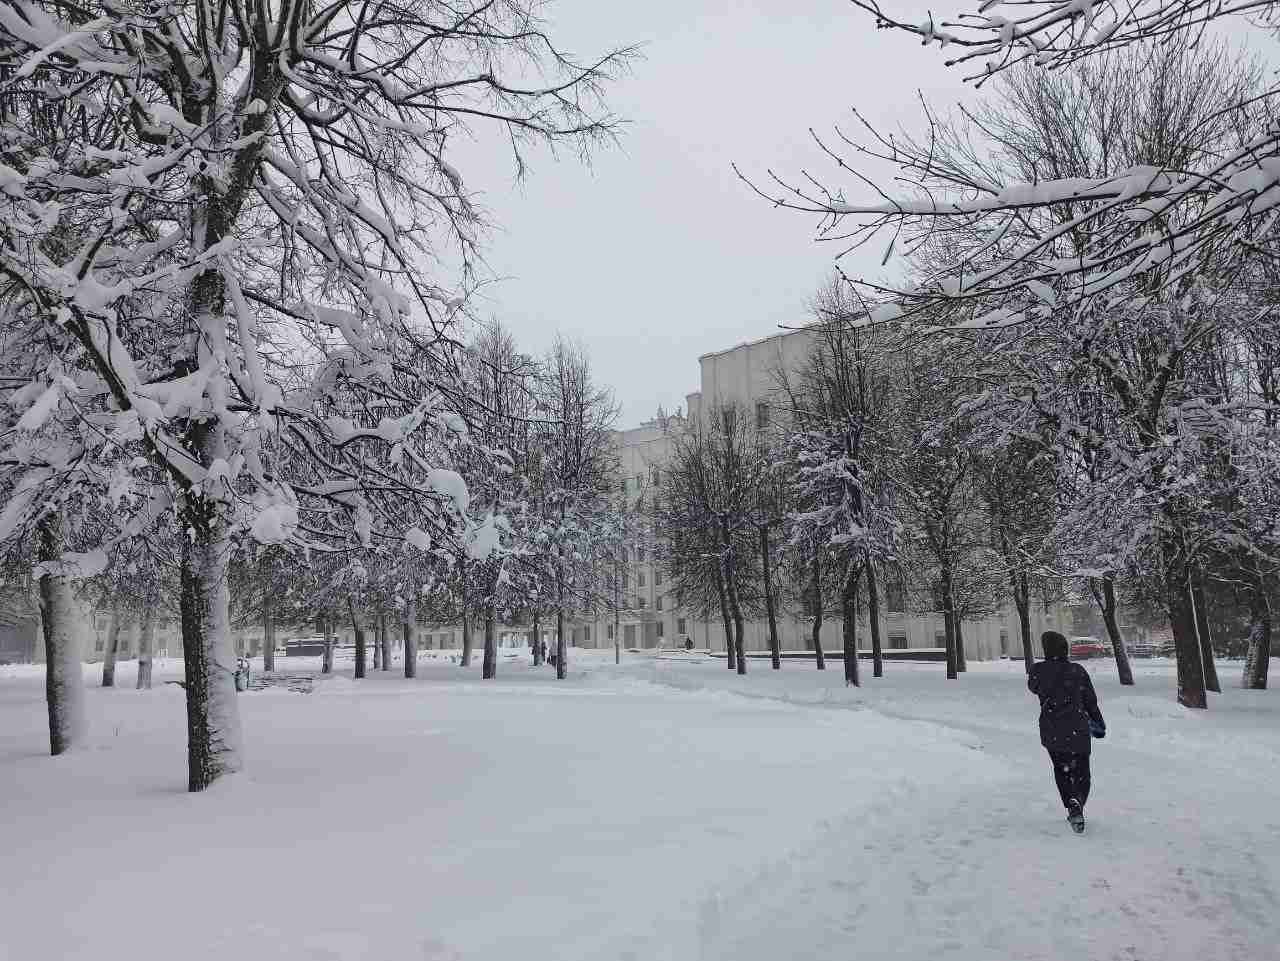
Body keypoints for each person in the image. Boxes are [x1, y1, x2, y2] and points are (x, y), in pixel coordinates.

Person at [1028, 630, 1106, 833]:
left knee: (1061, 769)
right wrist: (1098, 722)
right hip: (1077, 727)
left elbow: (1033, 686)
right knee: (1082, 771)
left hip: (1052, 728)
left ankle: (1071, 802)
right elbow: (1090, 701)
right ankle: (1078, 800)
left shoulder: (1038, 671)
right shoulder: (1077, 671)